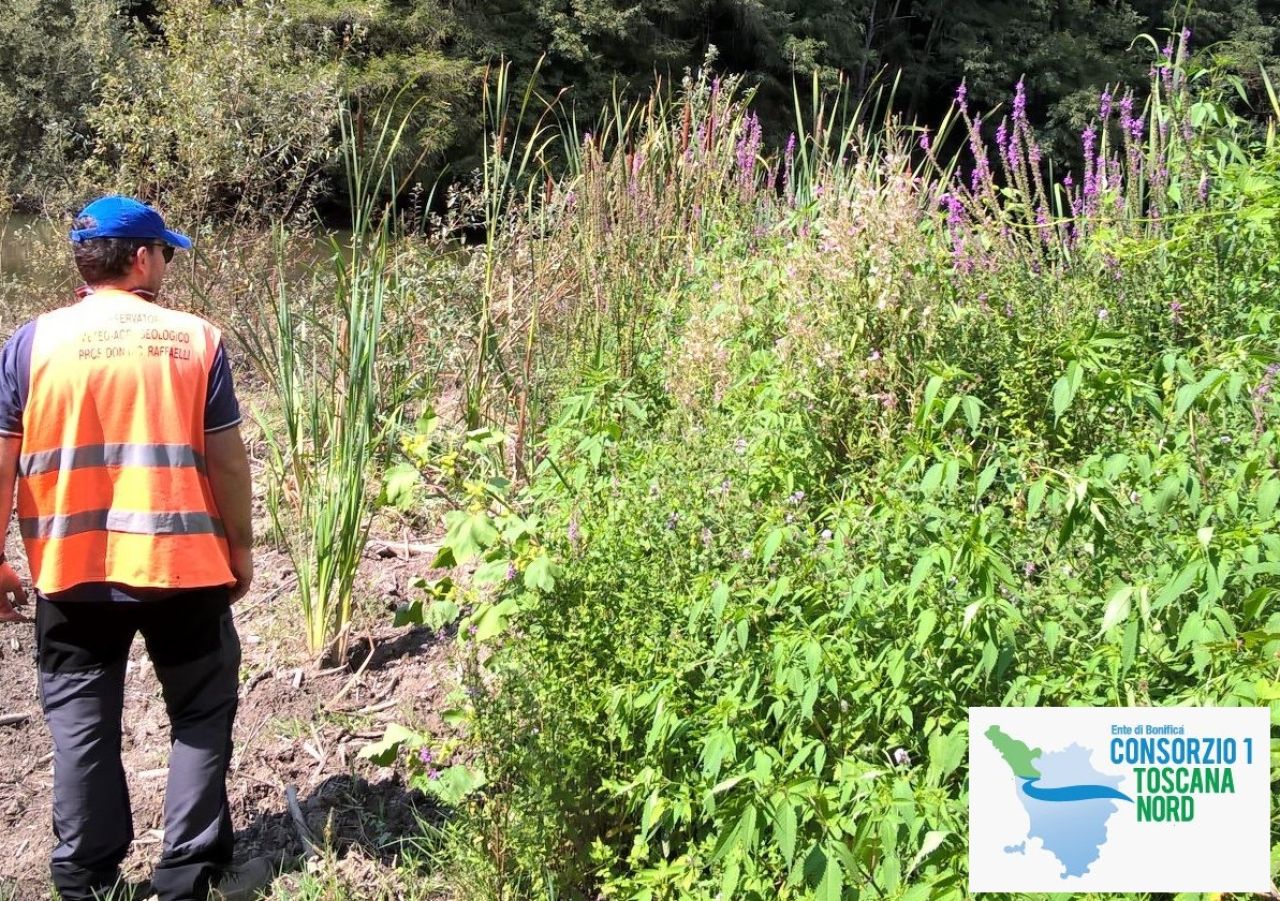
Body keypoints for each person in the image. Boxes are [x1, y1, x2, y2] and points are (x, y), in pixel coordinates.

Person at [0, 196, 273, 900]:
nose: (167, 266)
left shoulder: (31, 344)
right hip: (182, 565)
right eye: (166, 253)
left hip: (71, 567)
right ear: (143, 257)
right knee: (200, 713)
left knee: (82, 725)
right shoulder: (195, 341)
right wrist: (239, 550)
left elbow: (1, 460)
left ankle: (86, 879)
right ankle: (189, 874)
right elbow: (229, 464)